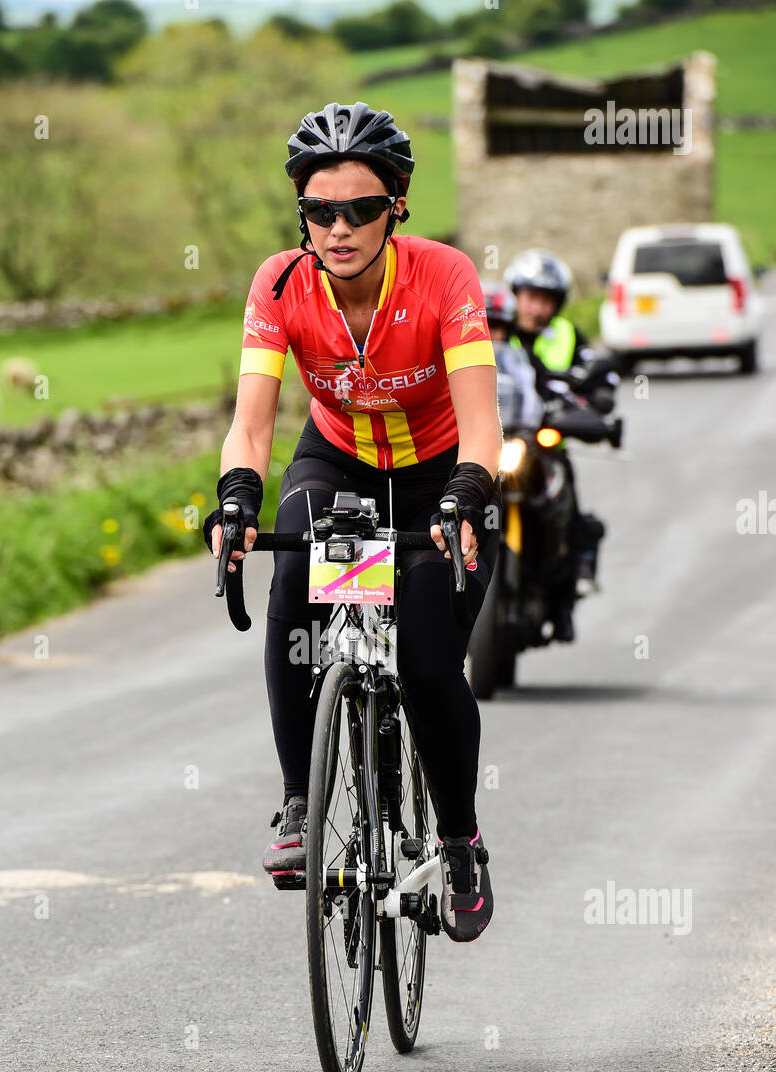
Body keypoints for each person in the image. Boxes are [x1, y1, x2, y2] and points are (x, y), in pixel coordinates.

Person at [204, 102, 503, 943]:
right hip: (336, 465)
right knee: (294, 577)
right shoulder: (280, 283)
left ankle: (458, 841)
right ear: (301, 212)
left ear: (396, 206)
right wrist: (235, 496)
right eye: (320, 210)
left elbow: (482, 420)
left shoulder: (443, 275)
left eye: (360, 209)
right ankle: (302, 802)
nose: (338, 228)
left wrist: (468, 491)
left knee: (428, 659)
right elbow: (254, 423)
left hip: (441, 478)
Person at [504, 249, 606, 640]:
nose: (535, 306)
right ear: (515, 295)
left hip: (544, 440)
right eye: (529, 296)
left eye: (545, 299)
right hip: (498, 434)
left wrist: (596, 403)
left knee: (566, 498)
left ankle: (569, 589)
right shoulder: (494, 329)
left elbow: (597, 378)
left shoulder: (567, 336)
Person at [481, 283, 542, 433]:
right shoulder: (451, 359)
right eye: (487, 325)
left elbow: (529, 389)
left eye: (498, 327)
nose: (494, 335)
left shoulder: (517, 358)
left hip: (510, 434)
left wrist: (528, 426)